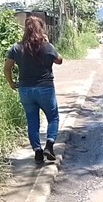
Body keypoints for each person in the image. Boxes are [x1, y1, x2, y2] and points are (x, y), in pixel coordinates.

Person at [4, 16, 63, 163]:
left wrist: (11, 82)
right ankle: (49, 145)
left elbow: (7, 67)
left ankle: (37, 151)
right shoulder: (47, 46)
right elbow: (59, 60)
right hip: (45, 89)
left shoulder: (16, 48)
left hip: (25, 90)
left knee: (32, 121)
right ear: (41, 29)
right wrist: (48, 43)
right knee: (53, 117)